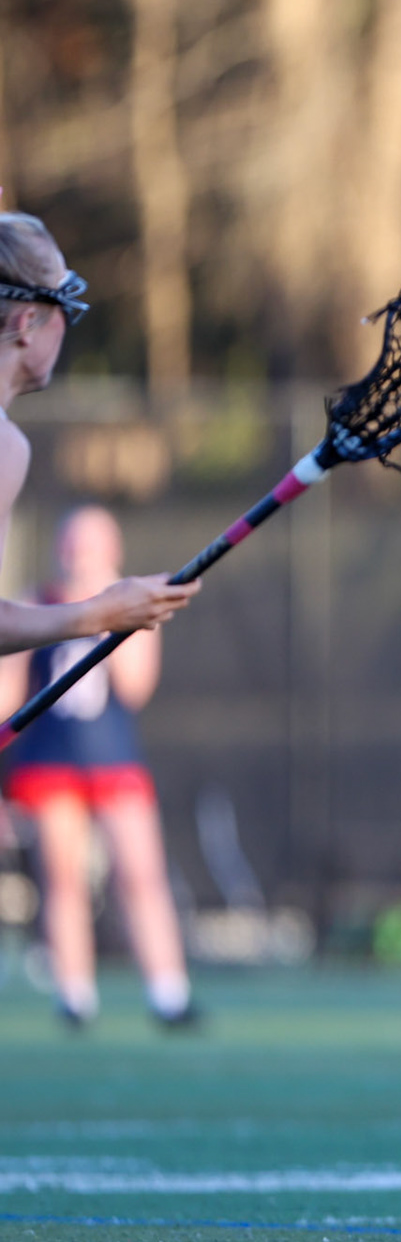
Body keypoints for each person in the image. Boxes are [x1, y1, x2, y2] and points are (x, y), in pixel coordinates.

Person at [0, 208, 200, 1024]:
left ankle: (165, 992)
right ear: (25, 323)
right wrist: (95, 614)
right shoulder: (5, 447)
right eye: (60, 312)